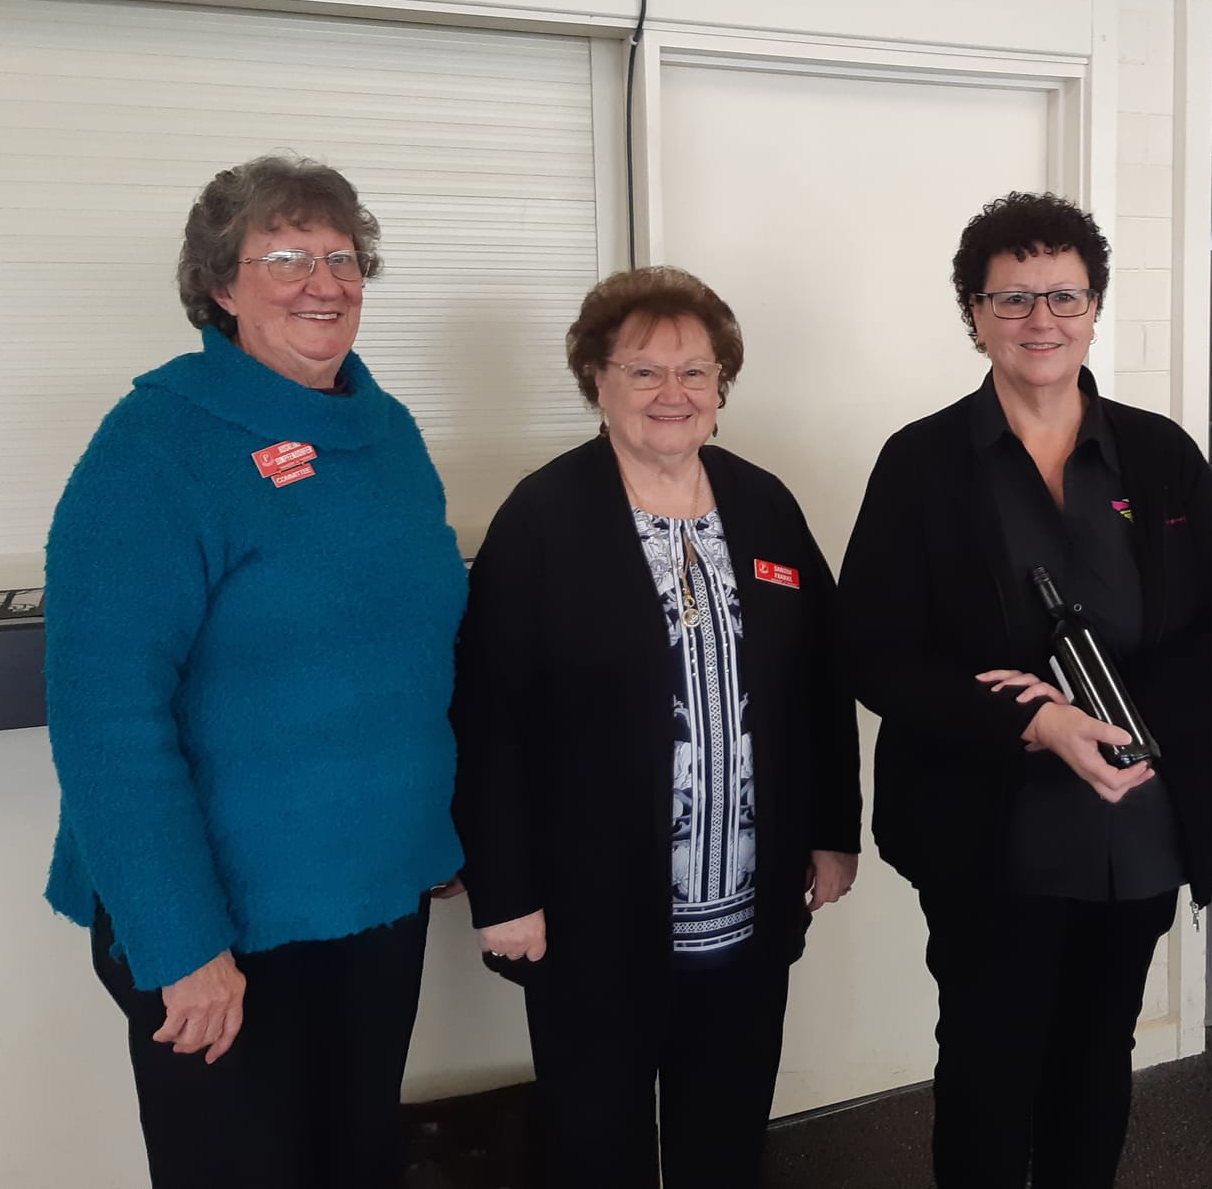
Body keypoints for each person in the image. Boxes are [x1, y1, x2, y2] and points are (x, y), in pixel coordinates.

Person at [43, 155, 469, 1188]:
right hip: (221, 921)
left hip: (373, 895)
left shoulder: (385, 430)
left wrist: (435, 830)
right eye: (283, 255)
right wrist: (180, 943)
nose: (322, 280)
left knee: (357, 1155)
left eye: (339, 255)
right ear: (220, 287)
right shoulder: (155, 447)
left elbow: (414, 648)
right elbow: (107, 720)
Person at [841, 192, 1212, 1188]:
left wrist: (1126, 724)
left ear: (1093, 307)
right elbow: (871, 650)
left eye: (1064, 295)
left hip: (1137, 823)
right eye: (1013, 297)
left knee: (1094, 1058)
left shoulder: (1156, 454)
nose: (1041, 320)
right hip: (988, 831)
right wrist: (1034, 718)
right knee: (989, 1068)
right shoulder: (921, 464)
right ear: (973, 314)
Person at [451, 265, 862, 1189]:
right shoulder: (543, 520)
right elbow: (487, 716)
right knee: (599, 1148)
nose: (671, 394)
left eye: (695, 372)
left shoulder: (765, 506)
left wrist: (835, 834)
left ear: (722, 387)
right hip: (594, 919)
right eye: (642, 371)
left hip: (748, 912)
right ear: (596, 381)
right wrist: (504, 889)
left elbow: (820, 684)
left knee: (725, 1137)